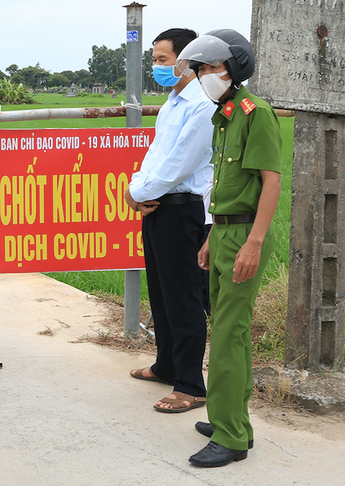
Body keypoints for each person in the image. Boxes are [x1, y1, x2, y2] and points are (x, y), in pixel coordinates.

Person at [178, 28, 282, 467]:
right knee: (229, 332)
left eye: (212, 67)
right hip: (222, 233)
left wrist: (254, 243)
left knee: (226, 336)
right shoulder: (224, 115)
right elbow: (222, 185)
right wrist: (210, 237)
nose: (205, 74)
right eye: (200, 68)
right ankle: (233, 420)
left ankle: (231, 436)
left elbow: (270, 183)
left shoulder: (256, 114)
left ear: (235, 67)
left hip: (244, 236)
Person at [124, 28, 216, 414]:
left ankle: (191, 385)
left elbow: (181, 164)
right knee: (161, 293)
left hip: (185, 210)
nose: (157, 67)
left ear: (186, 61)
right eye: (154, 60)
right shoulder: (171, 104)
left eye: (163, 60)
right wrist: (135, 189)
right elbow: (155, 156)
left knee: (184, 299)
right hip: (158, 208)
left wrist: (139, 193)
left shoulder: (202, 105)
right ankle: (166, 365)